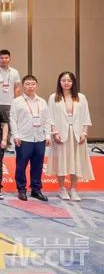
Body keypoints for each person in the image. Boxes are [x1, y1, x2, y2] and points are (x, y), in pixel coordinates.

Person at [48, 71, 94, 201]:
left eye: (69, 81)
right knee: (61, 161)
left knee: (76, 161)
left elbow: (86, 116)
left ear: (73, 82)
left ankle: (73, 189)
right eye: (63, 80)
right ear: (59, 82)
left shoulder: (81, 97)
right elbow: (50, 117)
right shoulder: (53, 97)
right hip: (60, 134)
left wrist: (84, 133)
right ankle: (62, 188)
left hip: (77, 134)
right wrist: (55, 133)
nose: (66, 83)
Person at [9, 75, 52, 202]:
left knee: (37, 166)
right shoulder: (17, 101)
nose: (30, 86)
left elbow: (47, 120)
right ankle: (21, 190)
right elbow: (12, 119)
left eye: (33, 84)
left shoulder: (42, 102)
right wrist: (16, 135)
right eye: (27, 84)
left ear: (37, 86)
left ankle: (36, 190)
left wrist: (47, 135)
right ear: (23, 86)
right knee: (21, 166)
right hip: (23, 138)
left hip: (39, 138)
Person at [0, 49, 22, 152]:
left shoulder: (14, 72)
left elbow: (17, 87)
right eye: (1, 58)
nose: (4, 60)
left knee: (9, 124)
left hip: (10, 102)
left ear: (10, 59)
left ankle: (8, 145)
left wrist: (16, 101)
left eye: (6, 58)